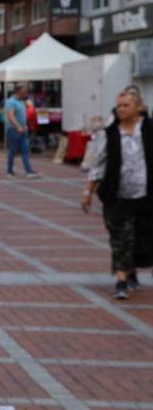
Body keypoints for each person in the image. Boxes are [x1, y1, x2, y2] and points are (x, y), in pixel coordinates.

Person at [82, 88, 153, 300]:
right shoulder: (109, 134)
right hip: (117, 197)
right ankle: (121, 280)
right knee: (121, 238)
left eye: (126, 105)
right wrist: (88, 191)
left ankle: (131, 271)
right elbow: (97, 165)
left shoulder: (149, 130)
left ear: (139, 107)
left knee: (141, 236)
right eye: (119, 106)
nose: (121, 109)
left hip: (146, 197)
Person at [5, 85, 38, 178]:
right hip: (13, 129)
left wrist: (25, 125)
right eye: (24, 92)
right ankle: (9, 171)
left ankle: (29, 171)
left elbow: (23, 115)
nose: (26, 94)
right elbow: (11, 116)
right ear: (18, 92)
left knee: (25, 150)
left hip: (23, 129)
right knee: (13, 151)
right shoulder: (11, 102)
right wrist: (18, 127)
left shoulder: (22, 101)